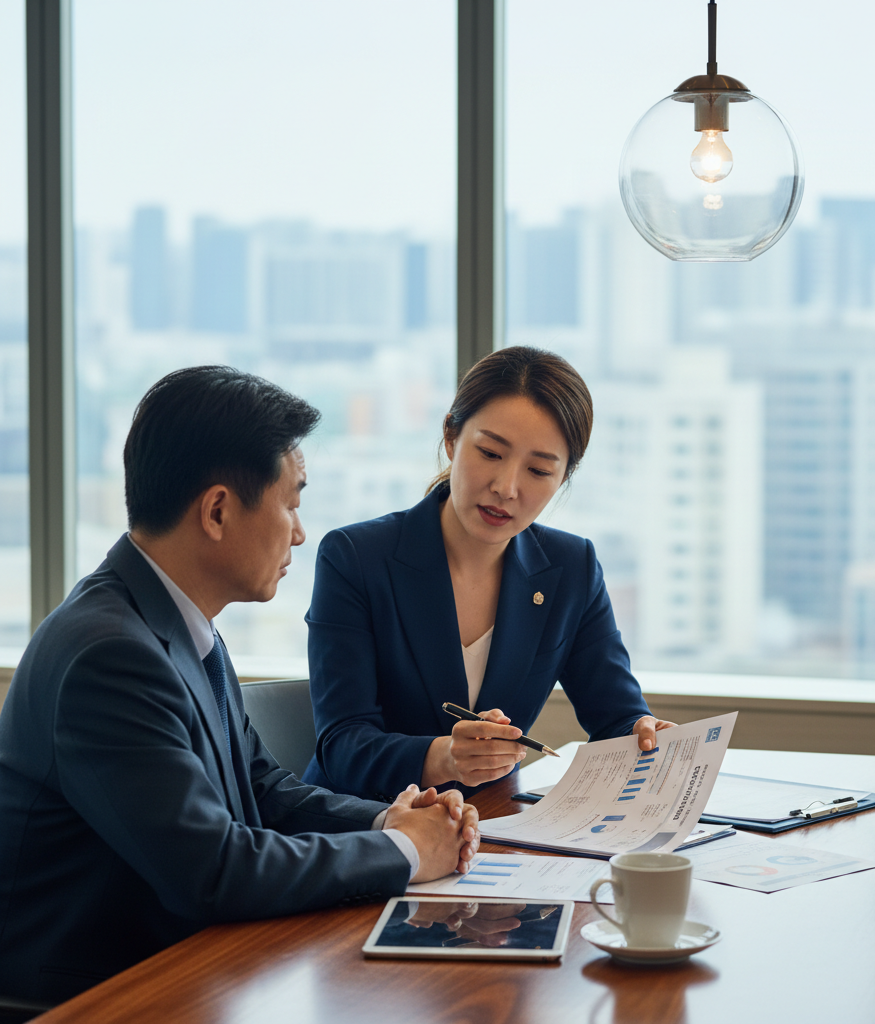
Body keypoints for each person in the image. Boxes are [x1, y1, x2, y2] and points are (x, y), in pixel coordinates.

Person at [0, 367, 479, 1007]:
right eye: (292, 504)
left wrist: (388, 818)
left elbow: (261, 788)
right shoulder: (110, 655)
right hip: (98, 996)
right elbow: (214, 871)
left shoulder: (176, 620)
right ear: (219, 510)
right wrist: (402, 851)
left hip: (191, 965)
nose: (300, 533)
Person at [303, 346, 675, 801]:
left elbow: (615, 716)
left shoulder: (571, 567)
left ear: (564, 477)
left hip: (491, 831)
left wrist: (641, 733)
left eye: (539, 470)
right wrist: (443, 757)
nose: (507, 488)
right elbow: (341, 745)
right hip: (364, 833)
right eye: (490, 453)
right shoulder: (356, 558)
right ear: (451, 438)